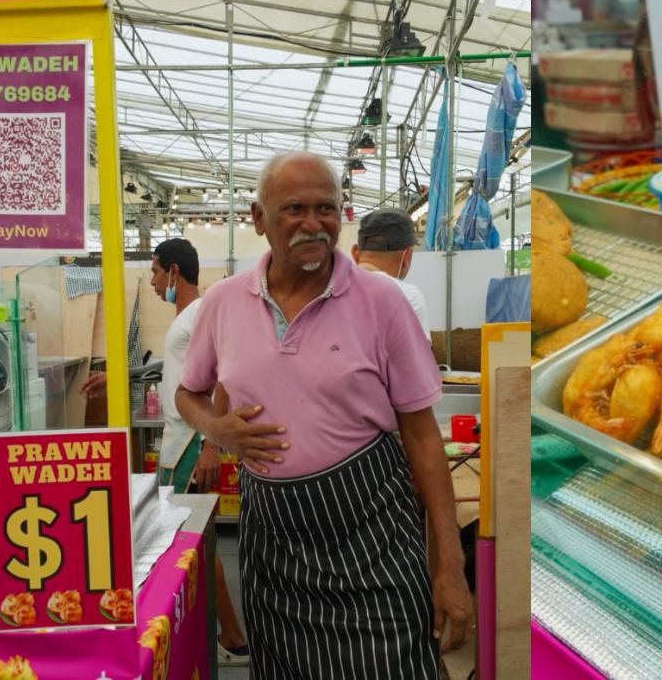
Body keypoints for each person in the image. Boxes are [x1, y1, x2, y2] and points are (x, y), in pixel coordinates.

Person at [175, 151, 472, 678]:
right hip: (275, 546)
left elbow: (424, 438)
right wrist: (216, 431)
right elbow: (189, 394)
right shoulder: (223, 303)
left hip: (375, 537)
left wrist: (450, 564)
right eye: (294, 209)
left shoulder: (382, 300)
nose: (313, 225)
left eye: (326, 208)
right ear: (258, 217)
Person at [80, 238, 250, 666]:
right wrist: (116, 377)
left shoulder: (202, 312)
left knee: (194, 542)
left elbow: (226, 377)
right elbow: (174, 370)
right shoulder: (184, 318)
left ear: (174, 271)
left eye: (155, 271)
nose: (153, 281)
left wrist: (213, 445)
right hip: (179, 441)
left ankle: (231, 635)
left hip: (194, 440)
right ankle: (212, 629)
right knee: (186, 542)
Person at [352, 207, 431, 340]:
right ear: (406, 256)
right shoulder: (407, 296)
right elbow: (421, 359)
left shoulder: (328, 288)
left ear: (355, 252)